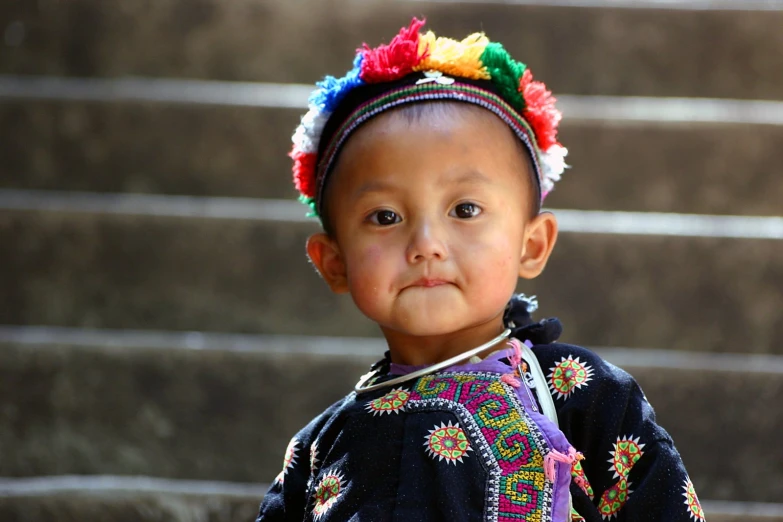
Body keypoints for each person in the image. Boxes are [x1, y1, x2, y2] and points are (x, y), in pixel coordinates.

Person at [257, 19, 705, 522]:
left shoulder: (583, 394)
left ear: (531, 245)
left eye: (465, 209)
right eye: (385, 217)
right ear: (333, 263)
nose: (426, 245)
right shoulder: (323, 443)